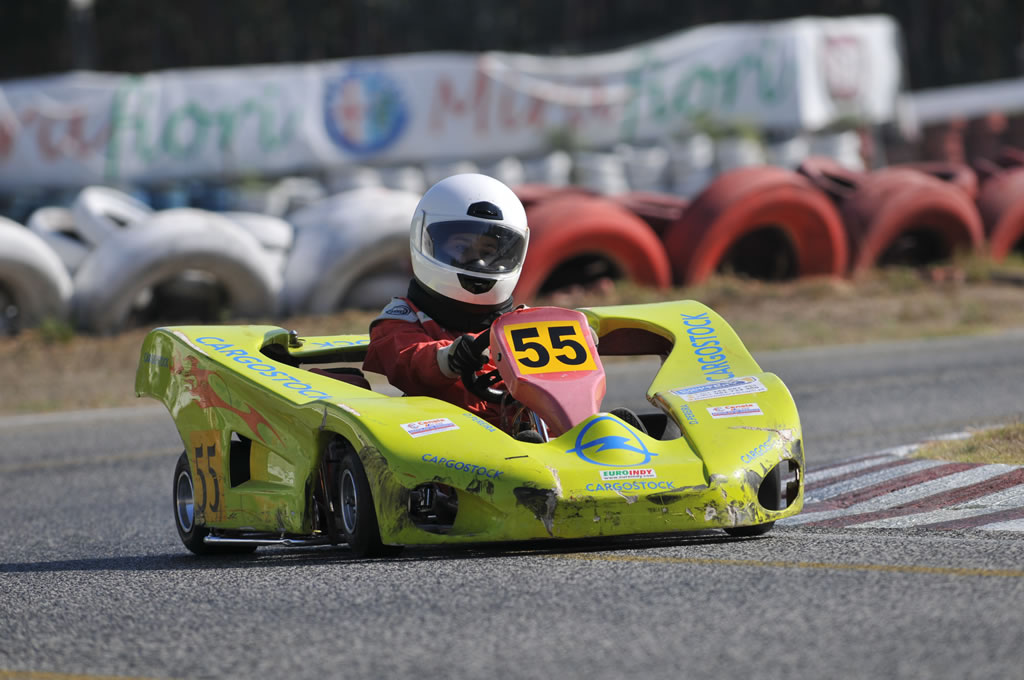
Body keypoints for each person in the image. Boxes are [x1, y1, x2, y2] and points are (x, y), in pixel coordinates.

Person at [362, 173, 529, 429]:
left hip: (523, 427)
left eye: (488, 252)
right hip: (445, 437)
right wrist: (446, 359)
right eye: (462, 248)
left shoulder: (522, 322)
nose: (479, 263)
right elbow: (404, 357)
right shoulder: (403, 317)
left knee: (607, 424)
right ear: (426, 241)